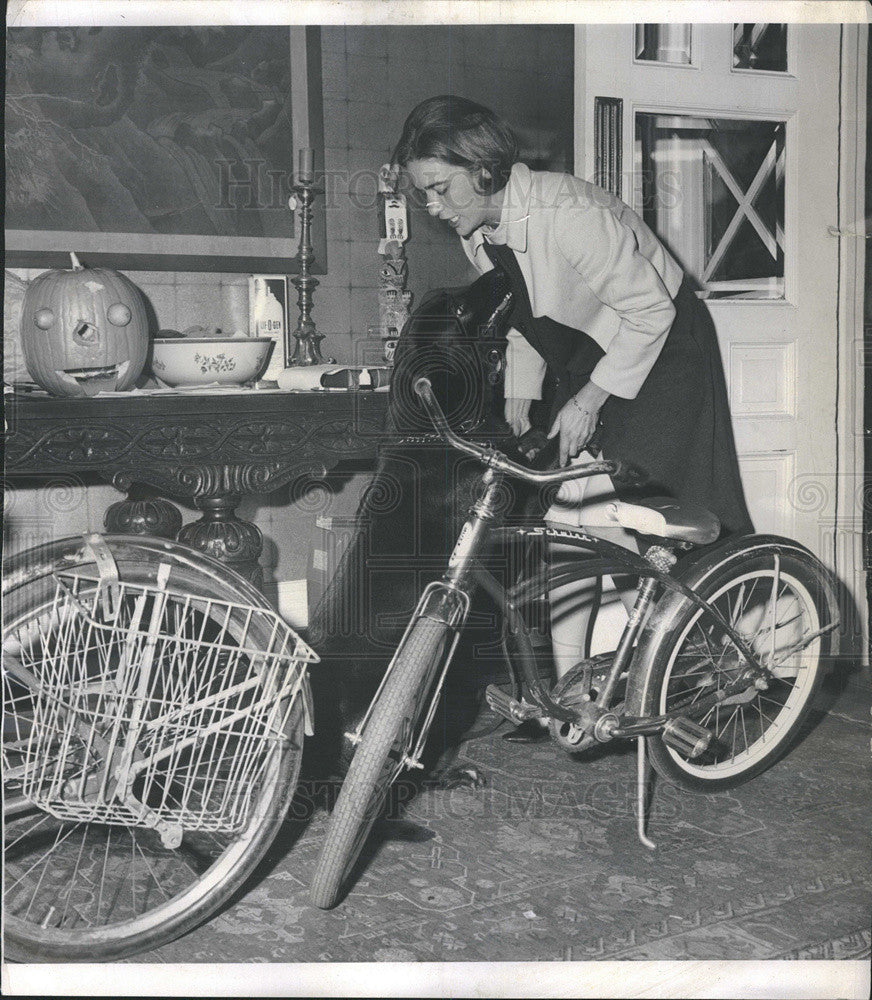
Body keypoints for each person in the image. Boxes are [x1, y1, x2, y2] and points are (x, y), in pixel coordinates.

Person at [392, 95, 753, 739]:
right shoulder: (483, 235)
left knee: (658, 508)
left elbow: (652, 312)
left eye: (440, 189)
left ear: (482, 171)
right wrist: (524, 392)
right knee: (569, 515)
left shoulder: (571, 213)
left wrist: (589, 398)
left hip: (663, 351)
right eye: (423, 194)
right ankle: (576, 688)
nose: (434, 208)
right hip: (587, 351)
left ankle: (714, 664)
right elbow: (529, 318)